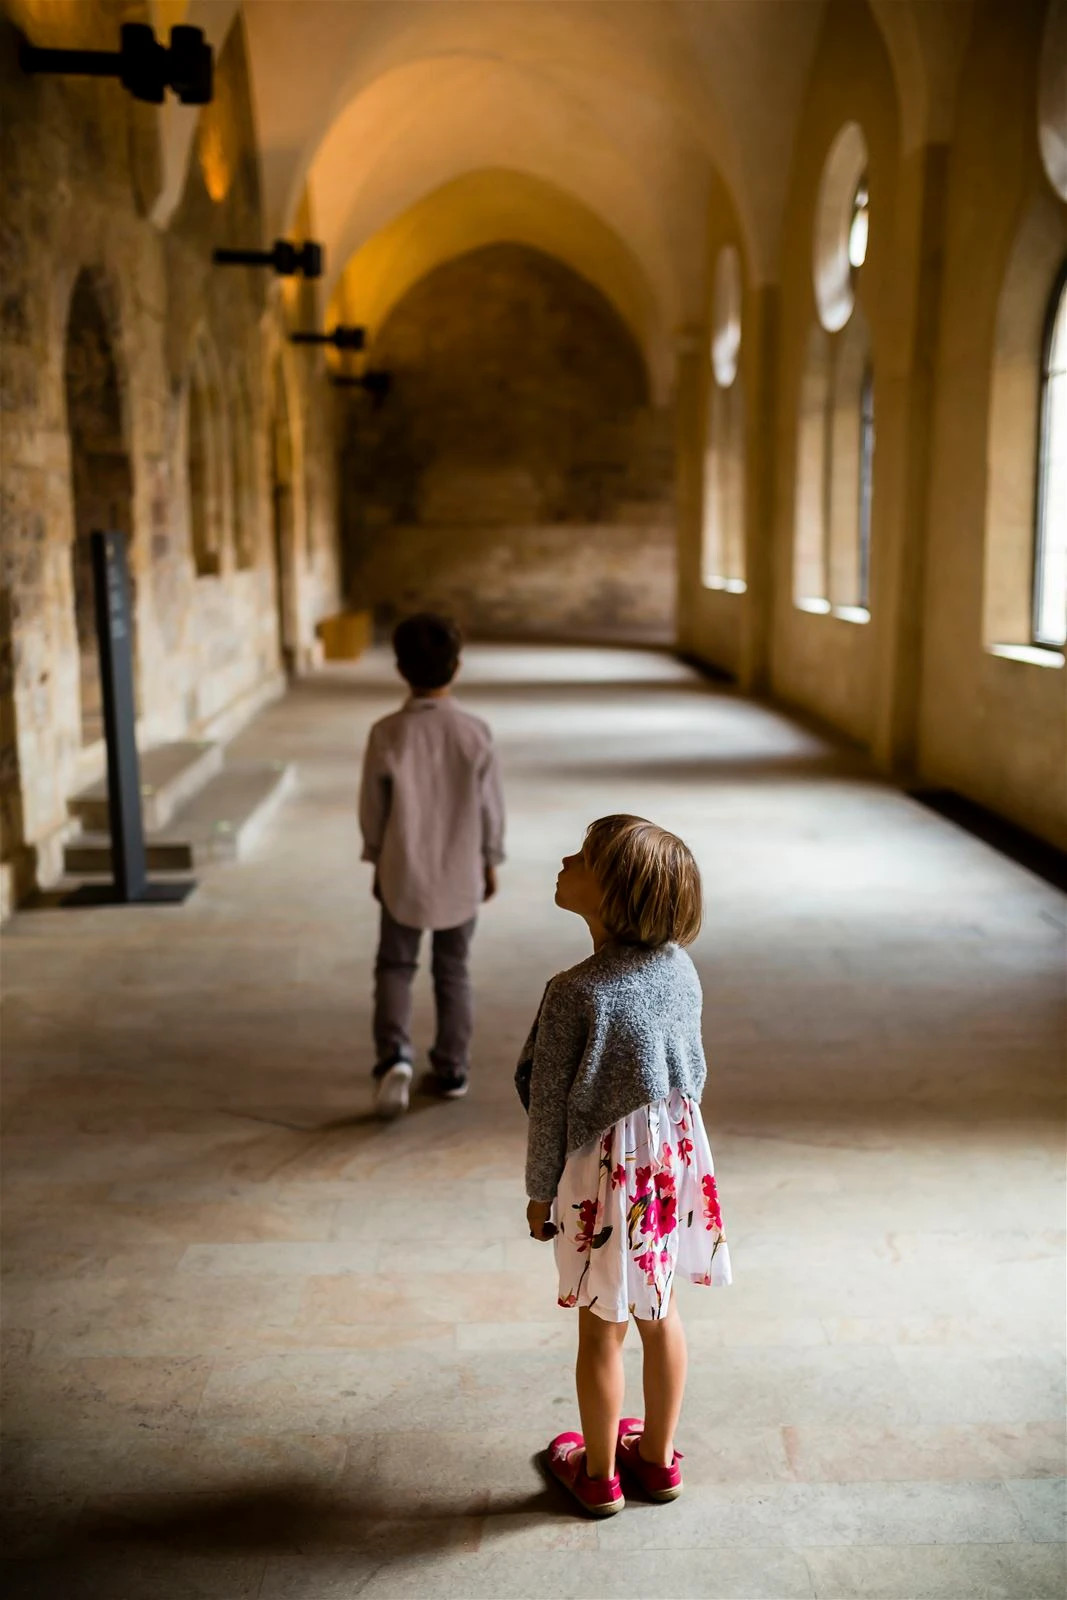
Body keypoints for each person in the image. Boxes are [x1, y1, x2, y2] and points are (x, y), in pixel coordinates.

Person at [516, 814, 731, 1517]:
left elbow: (549, 1107)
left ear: (612, 894)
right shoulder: (681, 968)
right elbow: (692, 1073)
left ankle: (599, 1473)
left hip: (604, 1176)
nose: (564, 860)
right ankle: (658, 1460)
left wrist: (540, 1194)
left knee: (600, 1328)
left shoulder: (574, 991)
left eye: (581, 857)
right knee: (660, 1313)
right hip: (668, 1167)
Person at [360, 613, 505, 1117]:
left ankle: (392, 1058)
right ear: (457, 666)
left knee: (395, 965)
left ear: (400, 668)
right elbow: (490, 808)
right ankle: (451, 1067)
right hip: (461, 869)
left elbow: (372, 809)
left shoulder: (386, 733)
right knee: (453, 968)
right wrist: (490, 859)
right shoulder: (475, 732)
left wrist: (376, 857)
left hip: (402, 868)